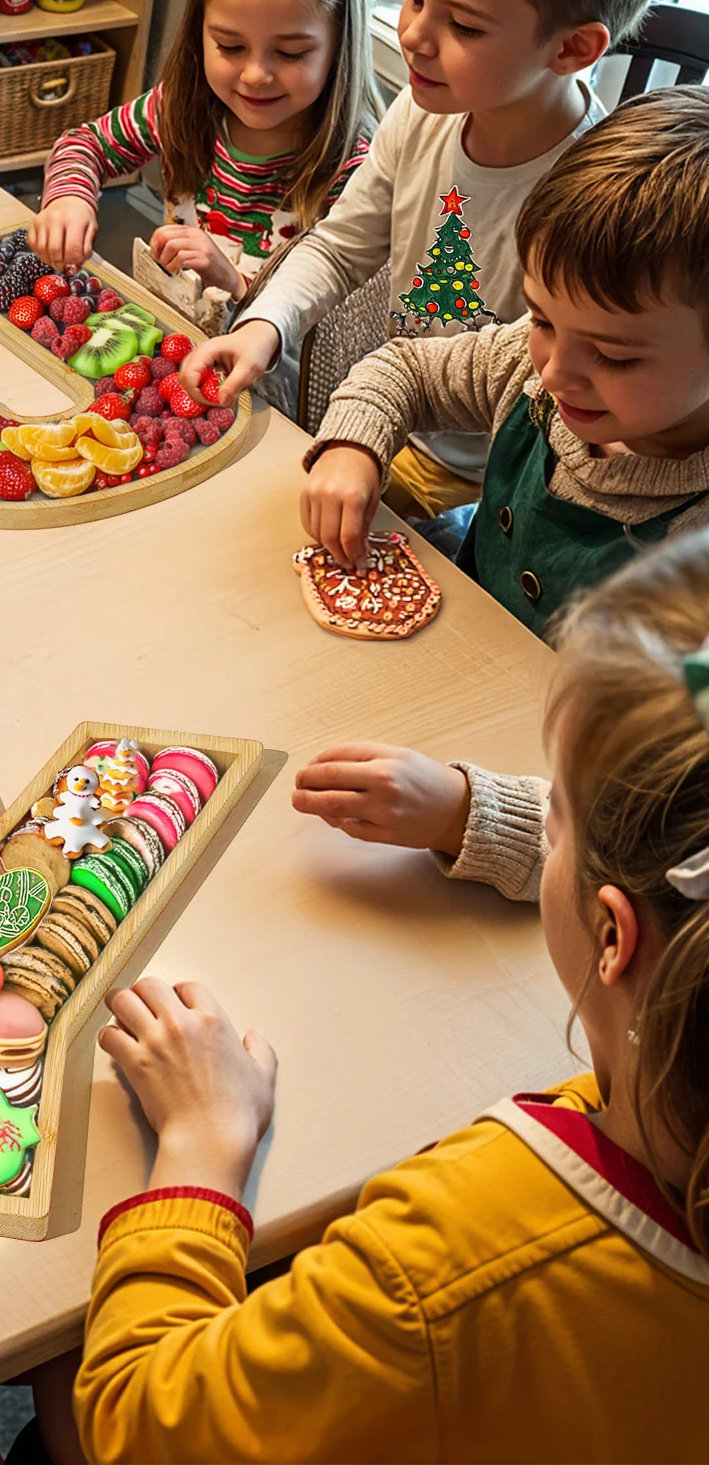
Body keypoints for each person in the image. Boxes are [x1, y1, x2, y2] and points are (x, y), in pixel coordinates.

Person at [73, 529, 709, 1463]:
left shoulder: (446, 1262)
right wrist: (471, 811)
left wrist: (201, 1148)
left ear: (614, 937)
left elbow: (140, 1422)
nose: (544, 823)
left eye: (554, 814)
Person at [183, 0, 673, 518]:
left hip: (511, 477)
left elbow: (568, 396)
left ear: (573, 49)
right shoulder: (421, 113)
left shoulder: (598, 193)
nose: (412, 35)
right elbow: (338, 248)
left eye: (464, 26)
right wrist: (266, 325)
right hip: (403, 426)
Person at [300, 85, 709, 638]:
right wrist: (353, 446)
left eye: (613, 357)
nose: (553, 375)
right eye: (542, 320)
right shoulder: (525, 362)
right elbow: (404, 372)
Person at [30, 0, 379, 413]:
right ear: (199, 34)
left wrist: (233, 282)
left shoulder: (356, 171)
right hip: (171, 356)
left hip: (267, 401)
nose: (256, 75)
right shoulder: (182, 107)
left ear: (341, 46)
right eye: (230, 46)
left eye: (290, 53)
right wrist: (69, 195)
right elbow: (85, 145)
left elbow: (324, 340)